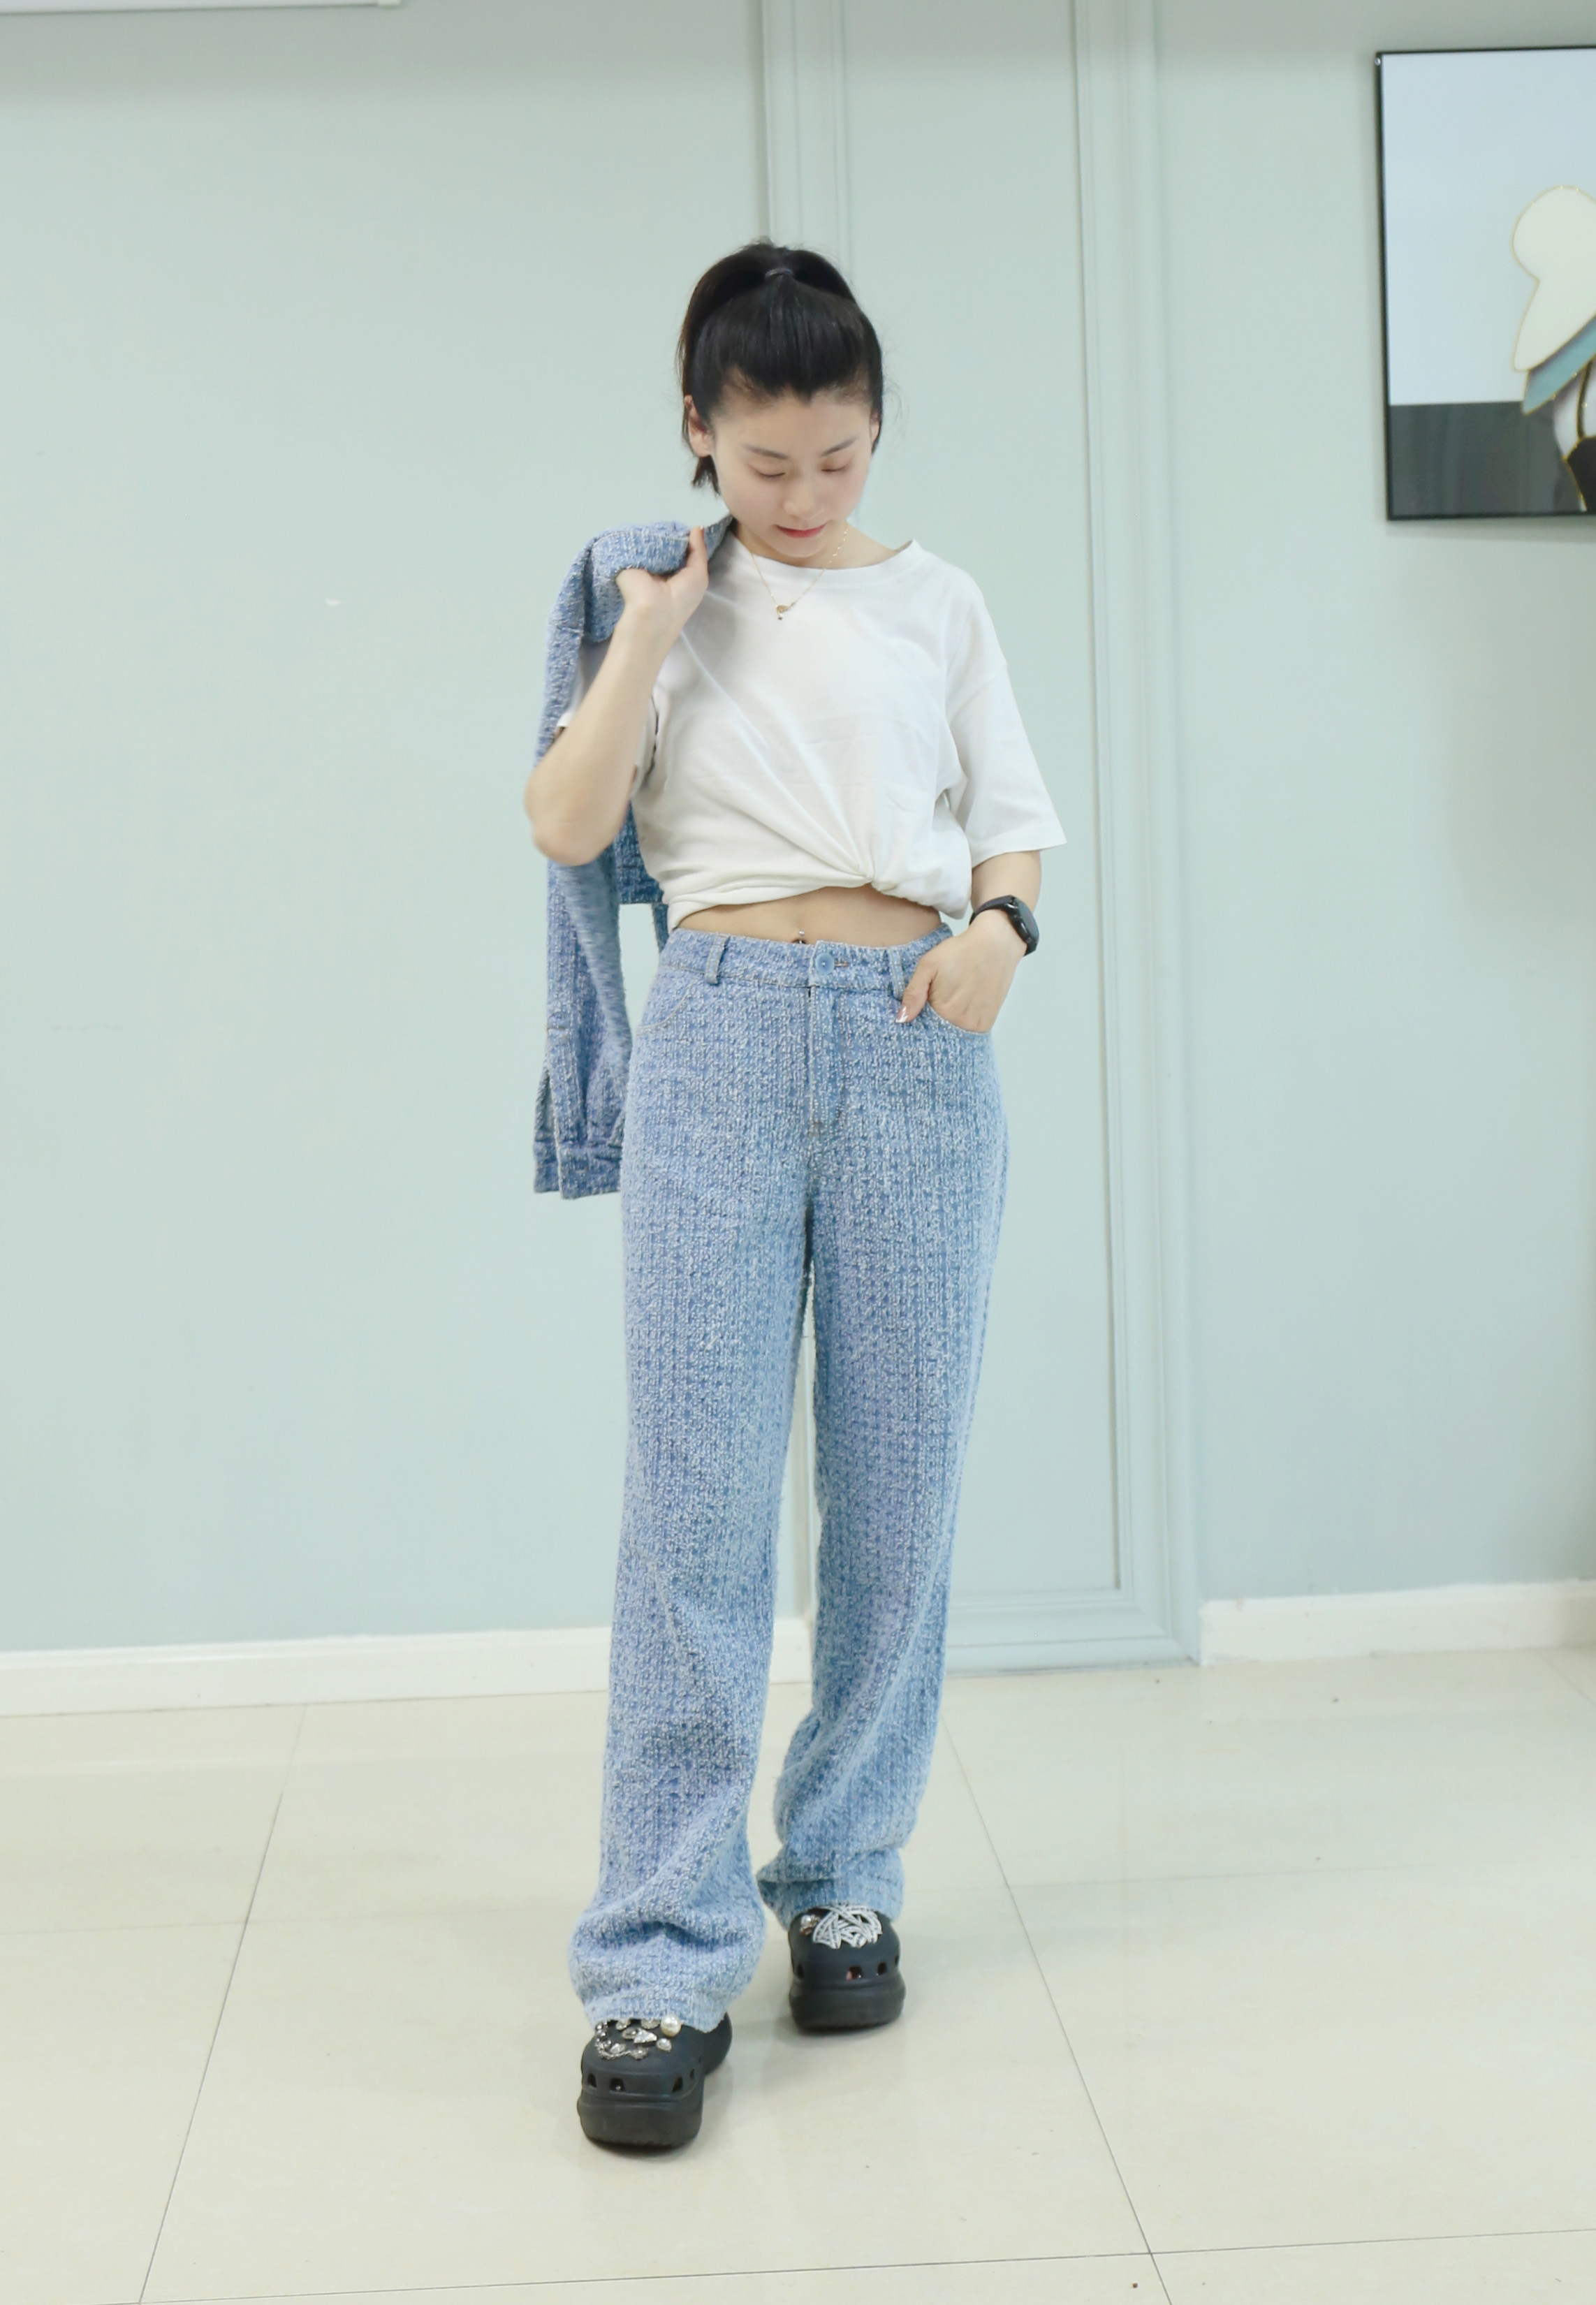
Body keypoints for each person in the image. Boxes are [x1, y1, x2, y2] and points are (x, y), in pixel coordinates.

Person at [524, 240, 1065, 2150]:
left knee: (899, 1489)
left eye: (839, 455)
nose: (808, 493)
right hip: (725, 1035)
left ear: (875, 429)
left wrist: (1002, 933)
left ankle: (845, 1870)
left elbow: (1011, 824)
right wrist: (655, 633)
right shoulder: (649, 596)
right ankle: (661, 1955)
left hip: (920, 1032)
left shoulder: (941, 601)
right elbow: (568, 822)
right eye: (767, 462)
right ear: (697, 430)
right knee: (695, 1505)